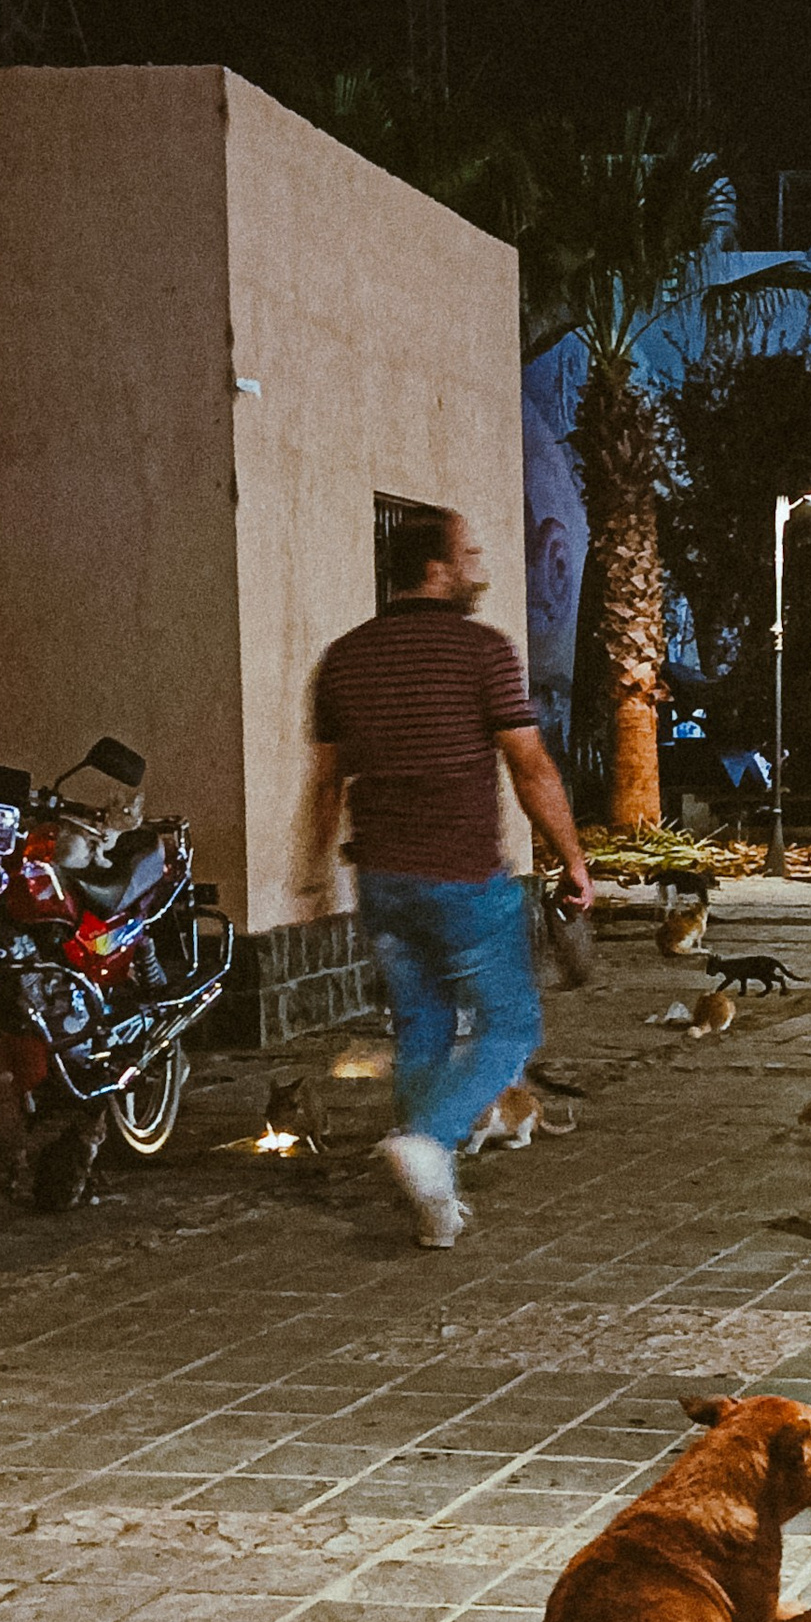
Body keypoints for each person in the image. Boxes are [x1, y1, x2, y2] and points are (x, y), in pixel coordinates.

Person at [302, 507, 592, 1248]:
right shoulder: (482, 651)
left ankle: (432, 1203)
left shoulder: (344, 659)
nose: (477, 569)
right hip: (462, 876)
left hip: (382, 880)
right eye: (468, 556)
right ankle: (428, 1139)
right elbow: (530, 766)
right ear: (435, 568)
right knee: (513, 1024)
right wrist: (572, 859)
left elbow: (326, 781)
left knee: (423, 1028)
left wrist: (313, 873)